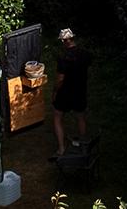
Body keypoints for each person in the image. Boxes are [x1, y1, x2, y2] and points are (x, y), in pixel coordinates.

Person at [50, 27, 90, 158]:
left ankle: (61, 148)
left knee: (57, 116)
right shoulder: (84, 53)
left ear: (64, 41)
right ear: (73, 38)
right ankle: (84, 144)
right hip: (80, 90)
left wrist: (55, 91)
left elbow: (60, 79)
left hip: (66, 92)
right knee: (80, 116)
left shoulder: (63, 57)